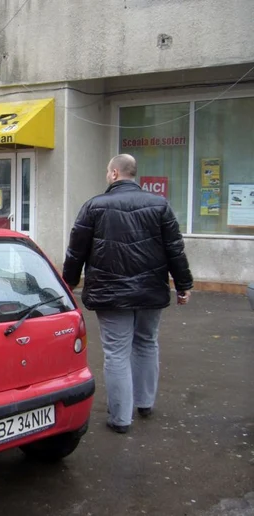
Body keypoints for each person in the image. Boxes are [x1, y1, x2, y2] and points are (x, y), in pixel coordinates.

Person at [62, 154, 193, 434]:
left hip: (111, 293)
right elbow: (175, 249)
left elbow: (76, 251)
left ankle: (121, 418)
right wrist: (184, 285)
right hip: (150, 291)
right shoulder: (160, 205)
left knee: (117, 353)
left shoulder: (94, 206)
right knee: (147, 342)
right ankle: (145, 403)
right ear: (133, 174)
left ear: (113, 174)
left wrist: (67, 283)